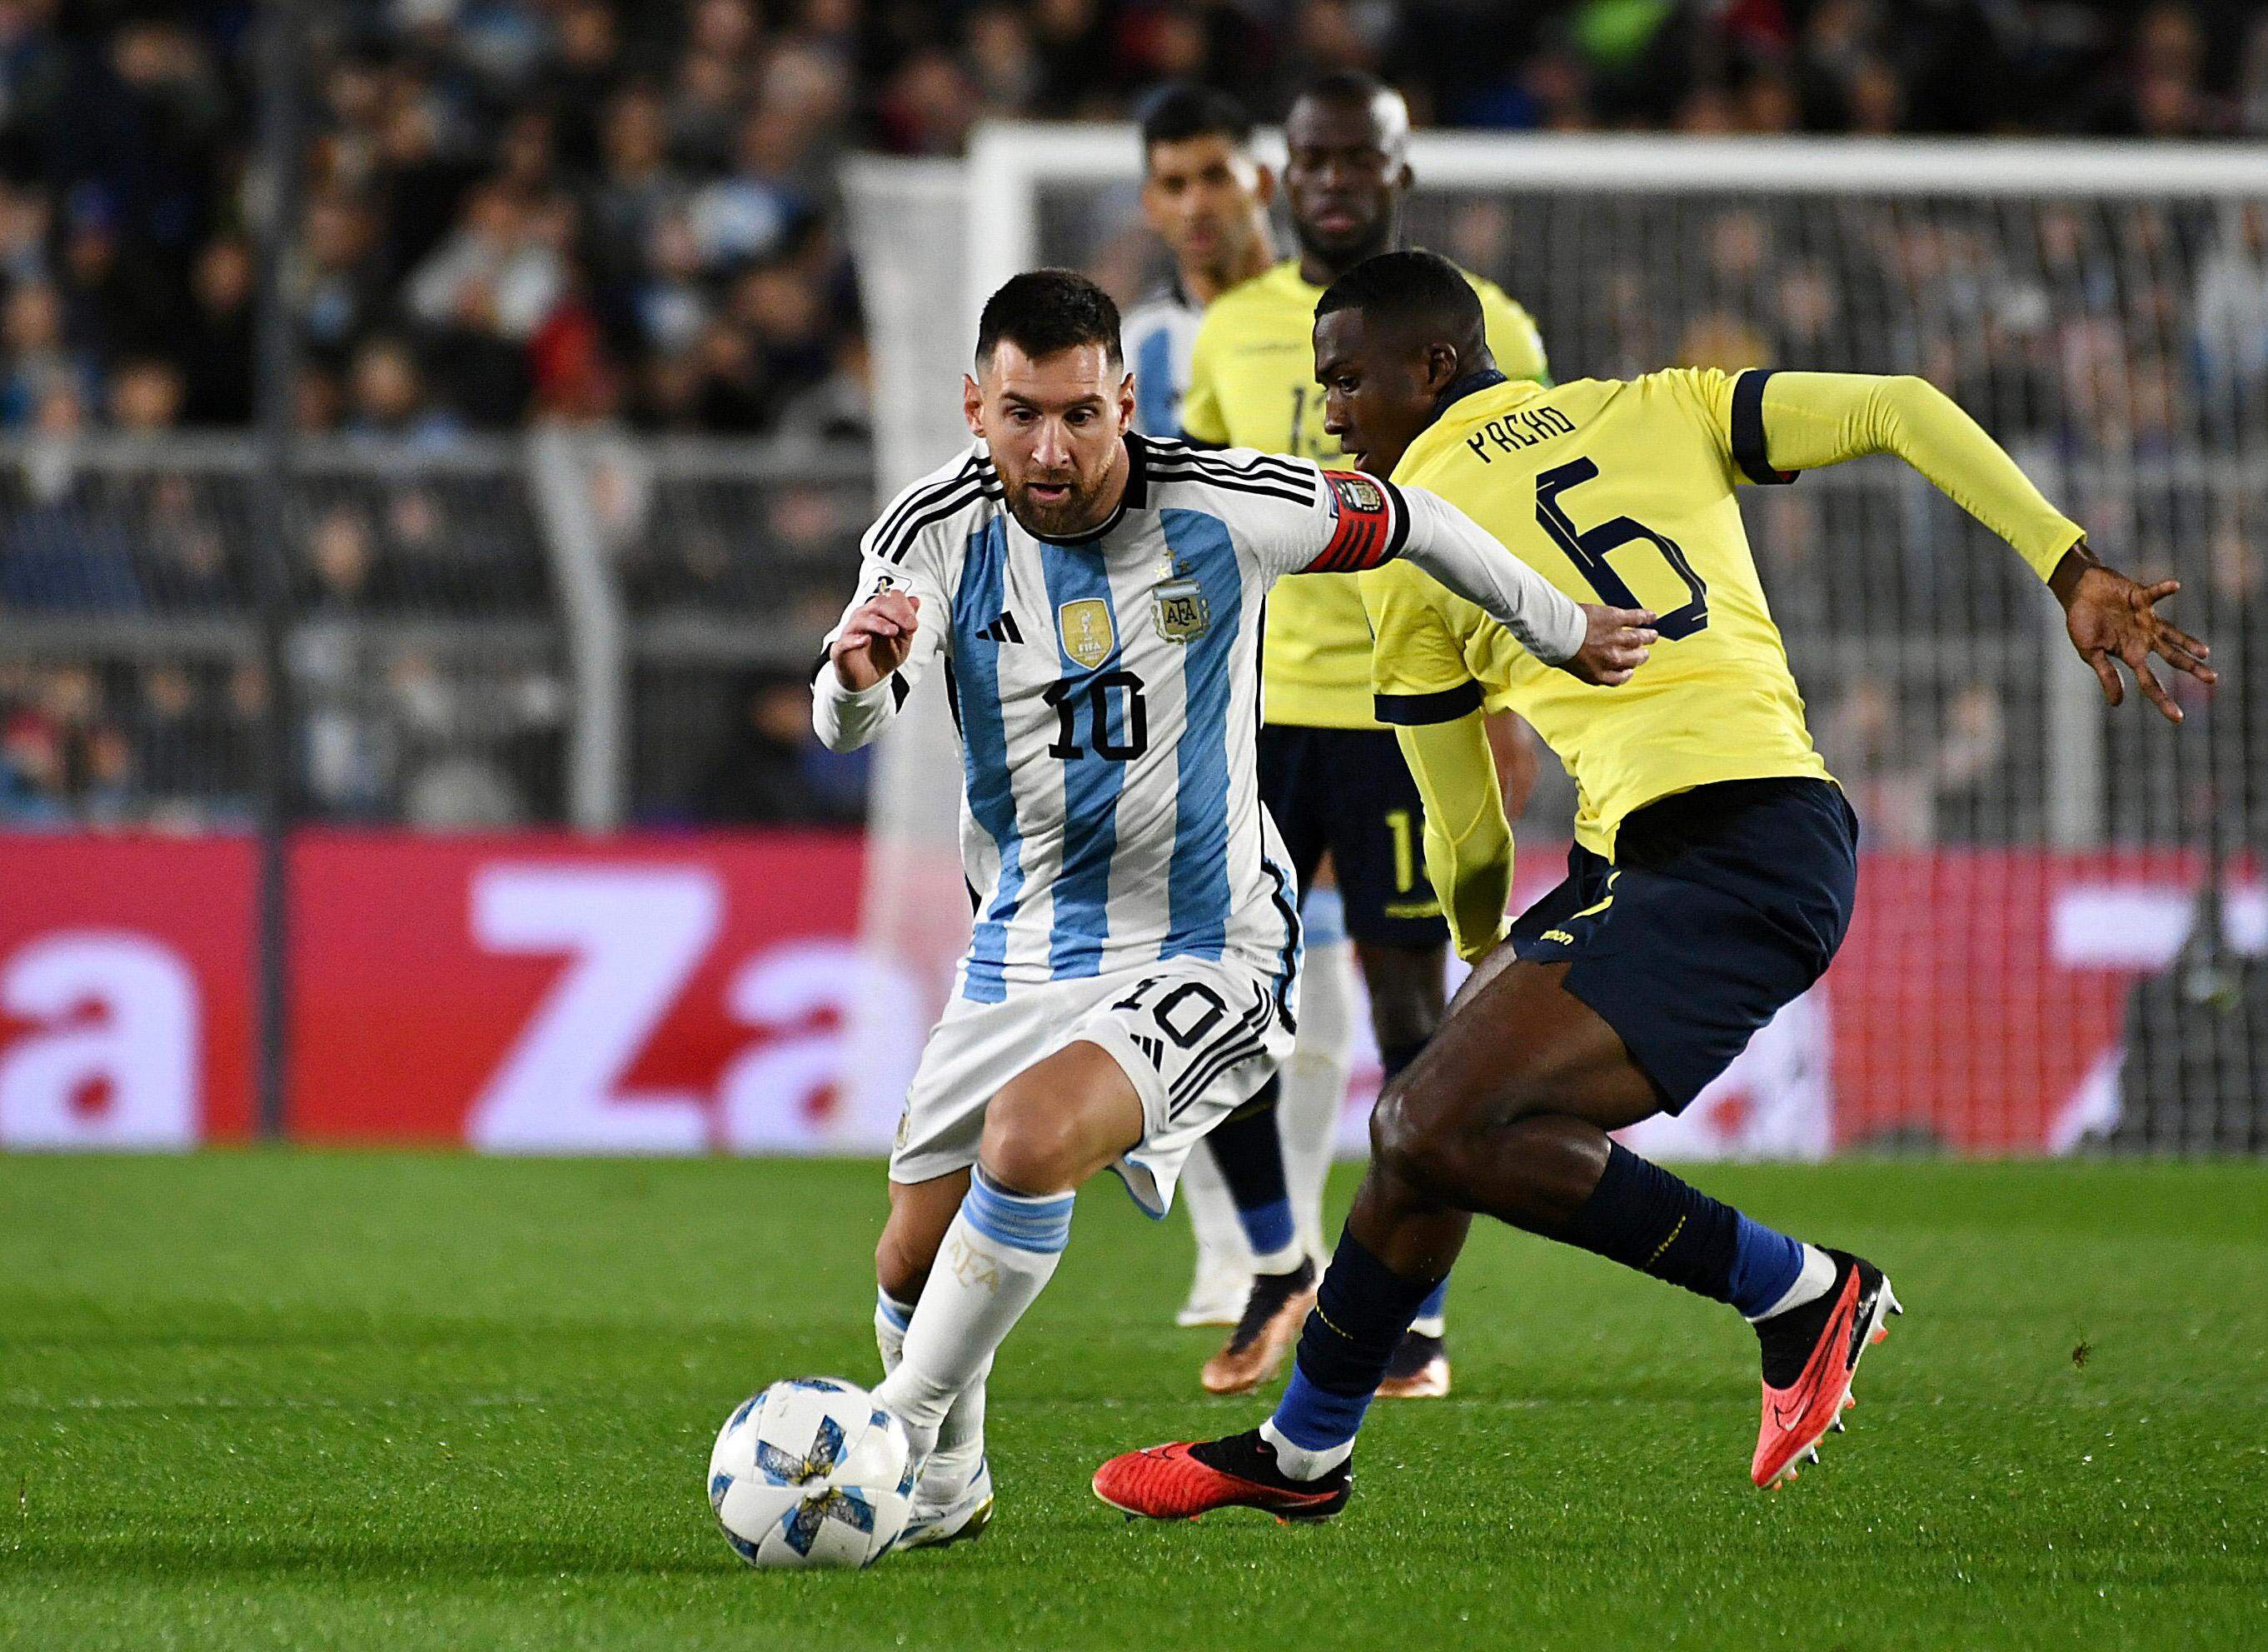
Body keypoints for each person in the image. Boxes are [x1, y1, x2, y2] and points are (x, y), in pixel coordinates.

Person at [1092, 250, 2216, 1520]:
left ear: (1438, 367)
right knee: (1424, 1139)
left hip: (1726, 859)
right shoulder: (1661, 404)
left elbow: (1461, 818)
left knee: (1427, 1123)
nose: (1332, 411)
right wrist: (2068, 565)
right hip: (1729, 839)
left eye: (1348, 379)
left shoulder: (1413, 545)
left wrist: (1479, 938)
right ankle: (1302, 1454)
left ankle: (1798, 1292)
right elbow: (1901, 404)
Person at [816, 267, 1652, 1550]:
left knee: (1032, 1142)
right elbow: (856, 697)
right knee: (907, 1266)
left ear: (1127, 401)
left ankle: (891, 1431)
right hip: (1022, 937)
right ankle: (945, 1487)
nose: (1053, 449)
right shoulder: (929, 528)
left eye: (1082, 415)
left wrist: (1556, 627)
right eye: (1024, 414)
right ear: (975, 406)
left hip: (1209, 936)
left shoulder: (1226, 502)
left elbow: (1416, 519)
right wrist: (855, 681)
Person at [1174, 70, 1553, 1400]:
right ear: (1285, 174)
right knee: (1207, 999)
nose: (1334, 180)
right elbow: (1202, 516)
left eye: (1359, 159)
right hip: (1256, 716)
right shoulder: (1228, 332)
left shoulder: (1487, 322)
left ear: (1400, 170)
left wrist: (1505, 706)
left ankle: (1417, 1318)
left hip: (1408, 709)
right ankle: (1279, 1267)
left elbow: (1514, 528)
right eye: (1314, 159)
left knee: (1414, 1017)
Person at [1120, 82, 1367, 1337]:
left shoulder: (1348, 318)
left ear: (1260, 181)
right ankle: (1237, 1252)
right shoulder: (1140, 354)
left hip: (1344, 689)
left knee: (1318, 962)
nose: (1195, 204)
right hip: (1199, 695)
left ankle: (1296, 1240)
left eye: (1213, 174)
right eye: (1171, 184)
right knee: (1208, 969)